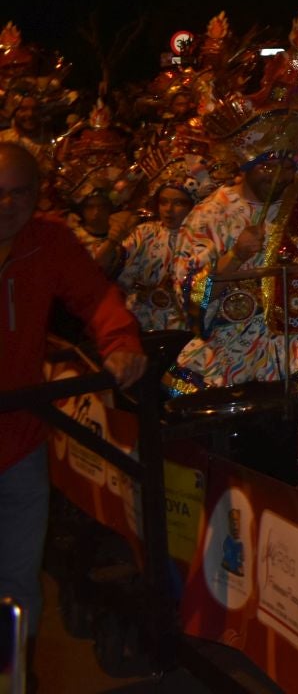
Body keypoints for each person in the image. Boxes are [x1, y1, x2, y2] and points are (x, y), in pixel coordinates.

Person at [0, 142, 147, 684]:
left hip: (19, 441)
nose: (8, 205)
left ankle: (10, 680)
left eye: (21, 193)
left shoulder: (49, 241)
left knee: (17, 583)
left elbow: (96, 299)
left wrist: (121, 342)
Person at [115, 156, 209, 331]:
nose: (168, 209)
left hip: (186, 328)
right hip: (142, 323)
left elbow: (206, 289)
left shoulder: (203, 239)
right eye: (163, 202)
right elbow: (117, 274)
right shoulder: (144, 232)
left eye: (178, 203)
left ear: (193, 206)